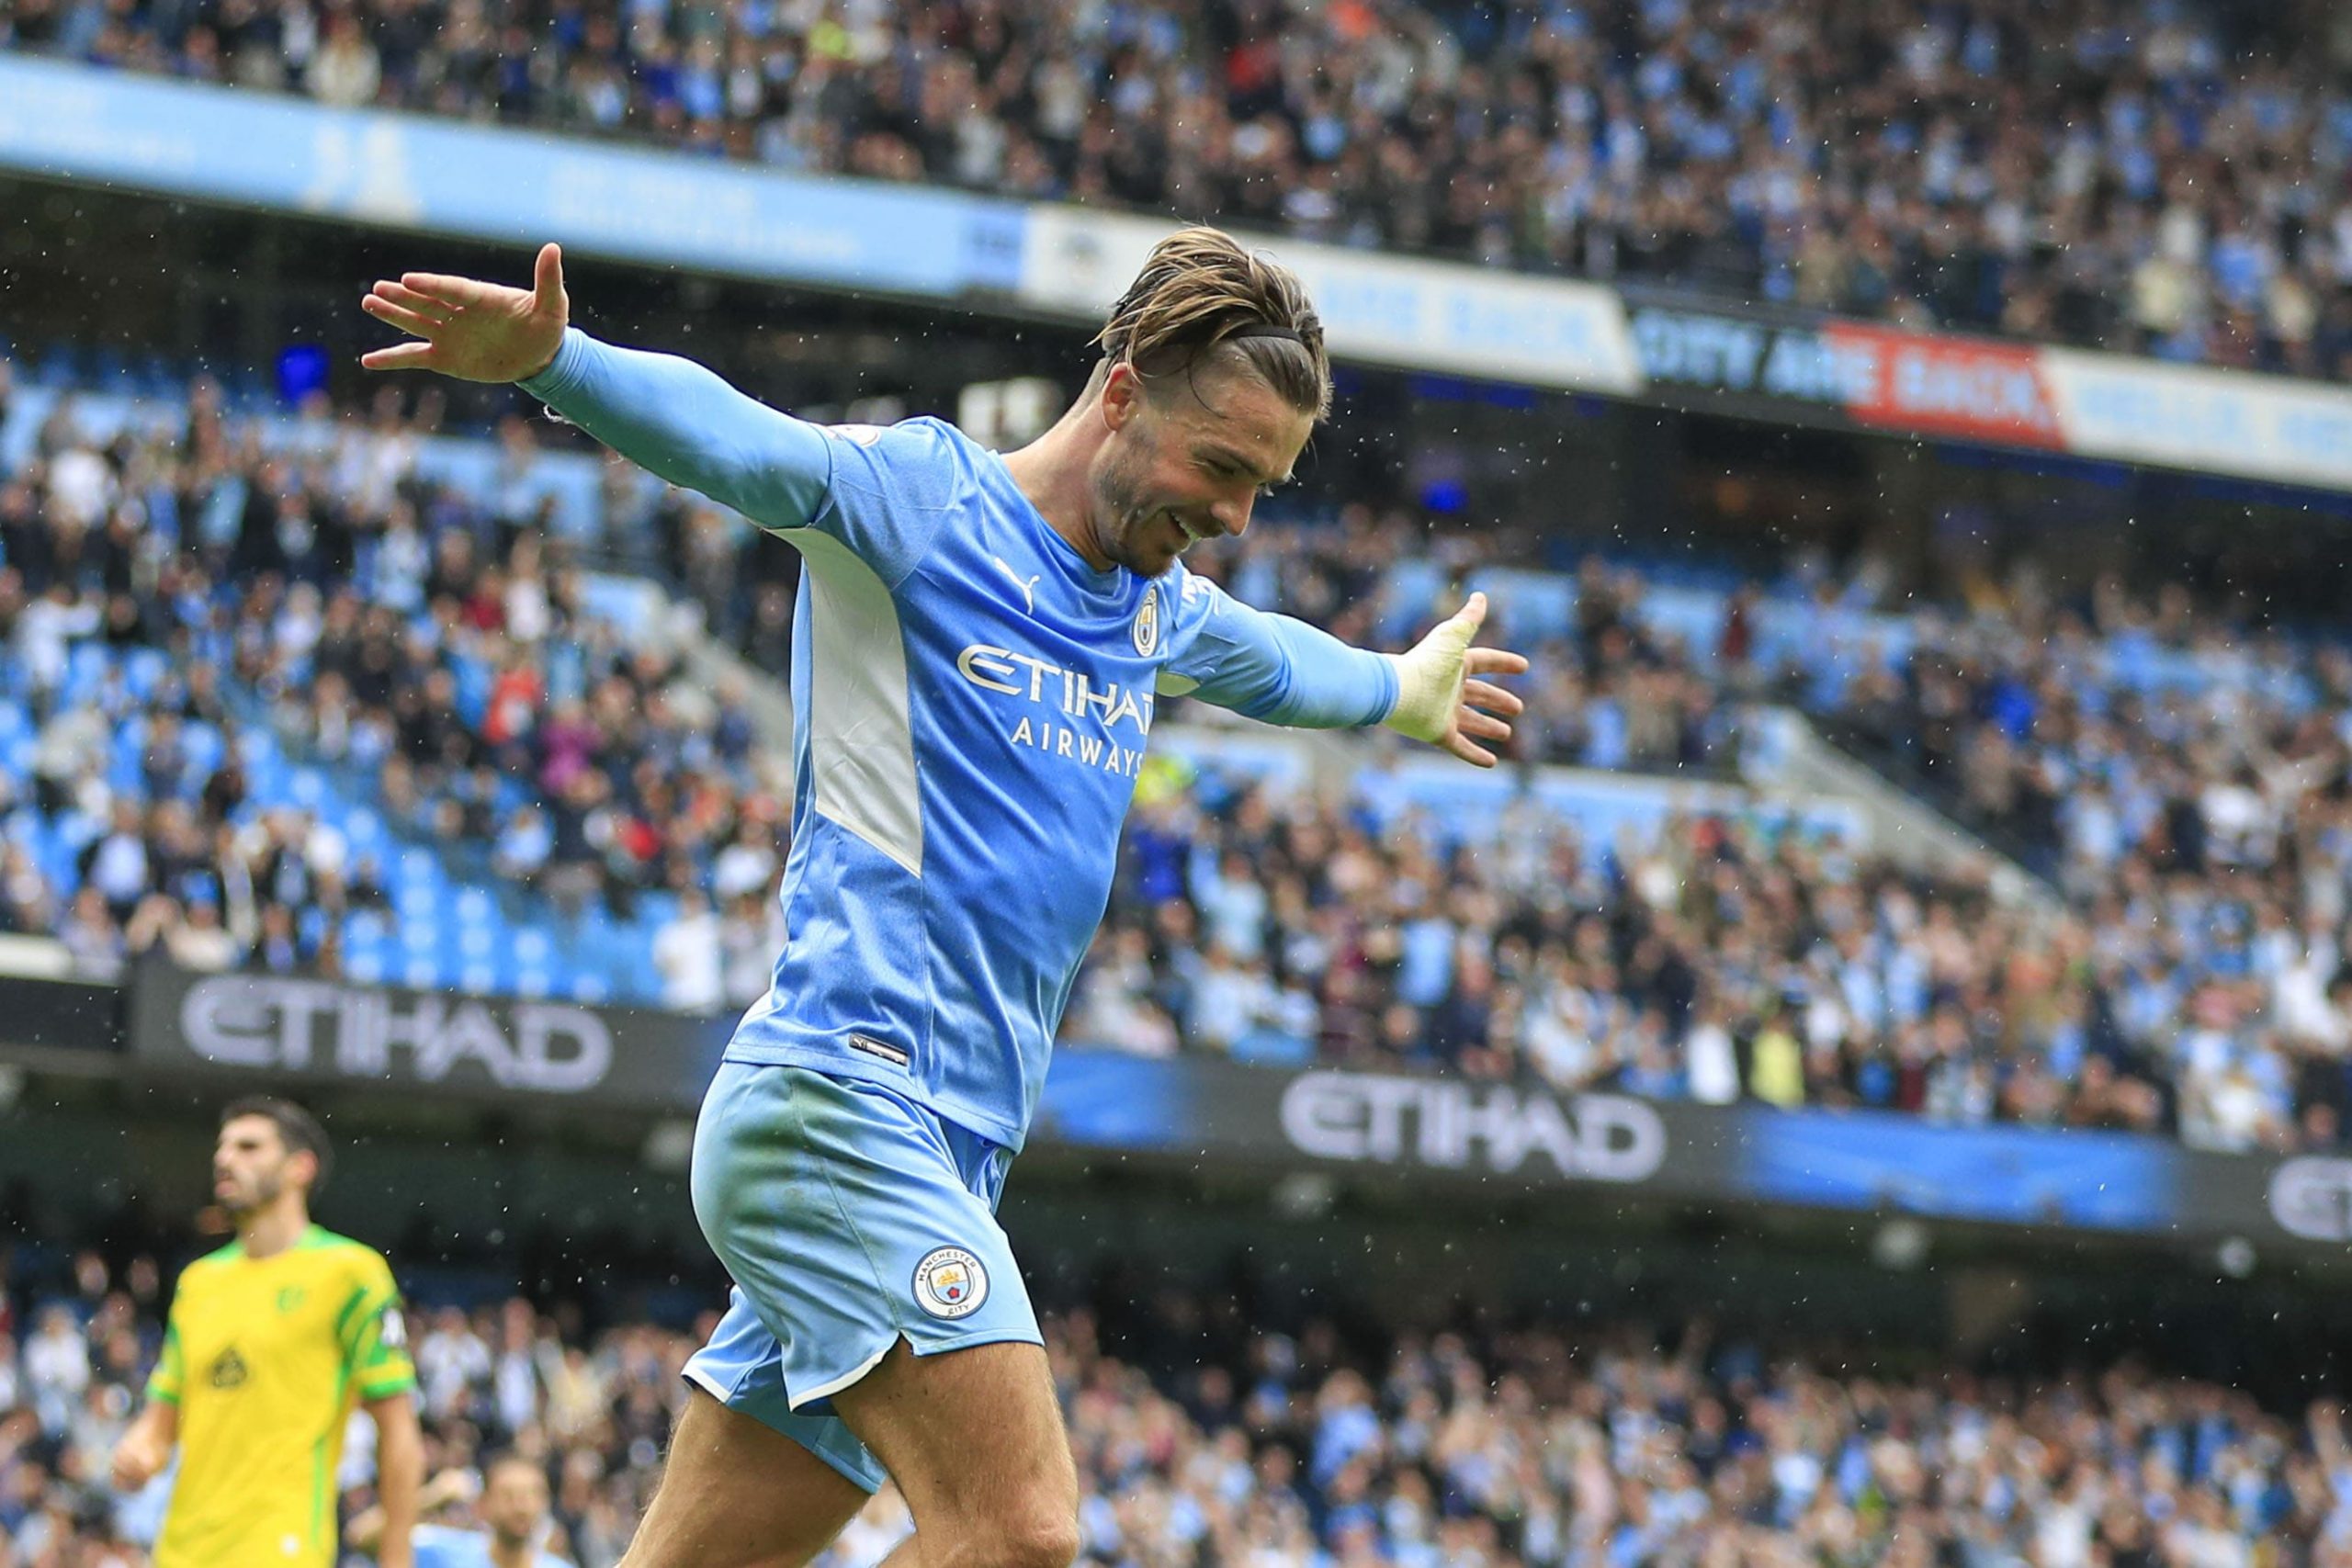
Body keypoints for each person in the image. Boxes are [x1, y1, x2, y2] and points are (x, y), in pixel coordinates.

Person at [359, 225, 1528, 1568]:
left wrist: (1397, 688)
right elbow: (746, 443)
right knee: (1020, 1533)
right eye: (1222, 466)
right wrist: (560, 364)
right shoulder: (927, 502)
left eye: (1265, 485)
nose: (1234, 515)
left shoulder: (1151, 610)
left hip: (953, 1150)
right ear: (1124, 389)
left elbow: (1278, 663)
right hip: (846, 1107)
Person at [109, 1097, 424, 1568]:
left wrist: (397, 1558)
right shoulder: (198, 1283)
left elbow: (398, 1430)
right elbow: (162, 1420)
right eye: (223, 1147)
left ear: (301, 1167)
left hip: (282, 1546)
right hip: (180, 1550)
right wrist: (138, 1451)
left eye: (249, 1146)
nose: (225, 1159)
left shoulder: (350, 1273)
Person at [350, 1453, 571, 1567]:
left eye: (533, 1494)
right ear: (483, 1504)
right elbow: (360, 1535)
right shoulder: (444, 1552)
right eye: (508, 1495)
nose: (522, 1507)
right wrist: (433, 1496)